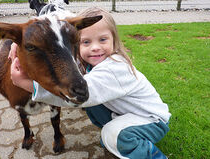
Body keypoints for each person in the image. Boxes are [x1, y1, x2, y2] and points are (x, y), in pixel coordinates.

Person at [9, 7, 171, 159]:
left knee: (109, 130)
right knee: (95, 110)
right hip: (128, 114)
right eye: (85, 42)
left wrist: (27, 84)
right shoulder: (90, 62)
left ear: (114, 40)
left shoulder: (116, 67)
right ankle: (119, 134)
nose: (95, 47)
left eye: (102, 40)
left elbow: (80, 96)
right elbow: (54, 23)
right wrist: (21, 39)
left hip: (152, 121)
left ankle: (144, 149)